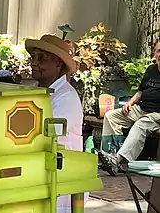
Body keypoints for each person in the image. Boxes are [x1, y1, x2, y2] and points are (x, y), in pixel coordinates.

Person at [25, 34, 86, 213]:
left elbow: (49, 132)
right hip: (42, 174)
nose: (34, 63)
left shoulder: (67, 96)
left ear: (58, 63)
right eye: (33, 57)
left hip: (61, 178)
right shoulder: (37, 91)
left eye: (41, 58)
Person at [98, 41, 160, 176]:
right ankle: (112, 156)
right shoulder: (151, 69)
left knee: (140, 125)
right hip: (141, 109)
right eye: (158, 51)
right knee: (111, 116)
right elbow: (141, 91)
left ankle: (118, 160)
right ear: (155, 53)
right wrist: (130, 103)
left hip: (157, 115)